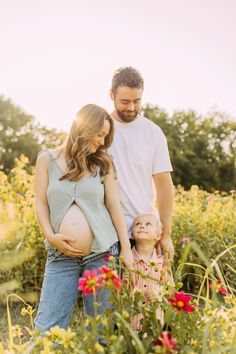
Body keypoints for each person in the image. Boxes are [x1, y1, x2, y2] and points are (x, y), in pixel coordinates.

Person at [34, 104, 133, 331]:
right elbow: (40, 202)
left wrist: (126, 249)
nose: (102, 141)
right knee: (46, 331)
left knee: (103, 332)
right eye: (99, 134)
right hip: (60, 254)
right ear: (83, 128)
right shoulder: (46, 159)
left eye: (105, 136)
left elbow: (113, 205)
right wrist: (50, 235)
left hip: (102, 253)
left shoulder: (103, 163)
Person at [108, 67, 174, 260]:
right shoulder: (100, 129)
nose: (131, 108)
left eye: (137, 101)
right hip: (106, 234)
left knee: (145, 290)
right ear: (111, 95)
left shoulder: (153, 133)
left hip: (143, 235)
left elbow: (164, 187)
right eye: (124, 101)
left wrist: (166, 234)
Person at [129, 213, 174, 331]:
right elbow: (120, 289)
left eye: (148, 224)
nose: (142, 226)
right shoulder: (128, 261)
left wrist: (159, 293)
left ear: (158, 235)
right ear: (132, 235)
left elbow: (170, 288)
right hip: (131, 322)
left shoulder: (162, 262)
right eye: (137, 224)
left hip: (155, 322)